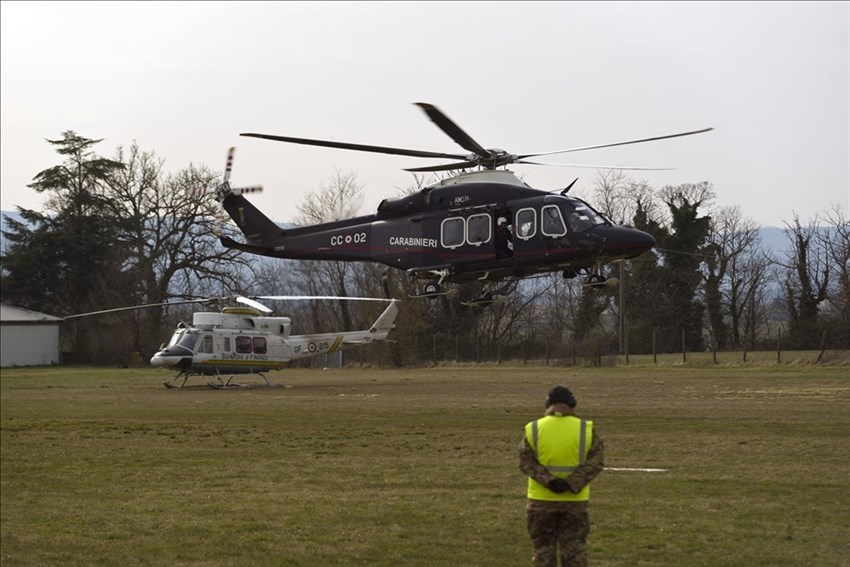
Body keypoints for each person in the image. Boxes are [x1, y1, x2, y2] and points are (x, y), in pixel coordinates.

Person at [519, 385, 605, 567]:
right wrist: (572, 482)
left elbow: (526, 462)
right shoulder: (585, 429)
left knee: (543, 553)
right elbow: (596, 461)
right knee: (575, 553)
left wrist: (549, 481)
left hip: (540, 501)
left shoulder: (534, 428)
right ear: (572, 403)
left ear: (548, 403)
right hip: (575, 501)